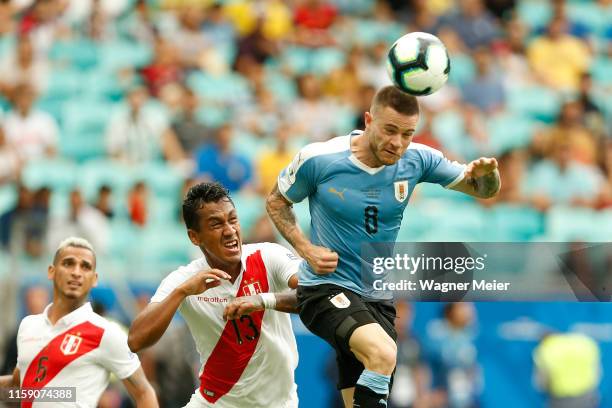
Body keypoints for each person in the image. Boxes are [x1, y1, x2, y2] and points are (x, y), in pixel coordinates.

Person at [266, 85, 500, 408]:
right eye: (390, 130)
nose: (398, 143)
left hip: (376, 299)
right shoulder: (320, 159)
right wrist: (306, 249)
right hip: (324, 288)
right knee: (384, 353)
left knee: (359, 396)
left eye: (407, 134)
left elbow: (482, 190)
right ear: (368, 120)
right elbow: (277, 203)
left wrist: (490, 177)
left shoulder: (417, 160)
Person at [128, 182, 301, 407]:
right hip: (214, 402)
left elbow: (314, 293)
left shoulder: (269, 256)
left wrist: (262, 300)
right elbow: (135, 340)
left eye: (233, 219)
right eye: (216, 224)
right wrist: (182, 292)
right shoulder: (185, 279)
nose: (230, 230)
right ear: (194, 237)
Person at [0, 237, 158, 407]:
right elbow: (19, 387)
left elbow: (143, 392)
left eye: (85, 266)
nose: (76, 272)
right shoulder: (28, 325)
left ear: (94, 278)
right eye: (68, 263)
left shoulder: (105, 332)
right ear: (51, 271)